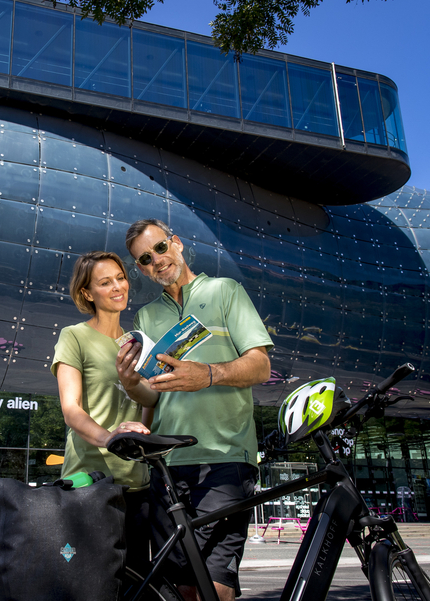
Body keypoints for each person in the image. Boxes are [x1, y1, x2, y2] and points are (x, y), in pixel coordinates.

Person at [116, 218, 273, 601]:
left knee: (213, 588)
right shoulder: (146, 318)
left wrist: (209, 373)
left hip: (224, 459)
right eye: (145, 259)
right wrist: (130, 383)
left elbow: (261, 366)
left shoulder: (225, 291)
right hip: (168, 463)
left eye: (160, 248)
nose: (157, 261)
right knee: (180, 590)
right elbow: (154, 395)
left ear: (177, 243)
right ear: (140, 268)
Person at [51, 250, 154, 571]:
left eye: (121, 279)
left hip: (137, 484)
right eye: (105, 282)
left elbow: (149, 405)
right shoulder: (74, 336)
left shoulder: (138, 342)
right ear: (87, 292)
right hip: (89, 482)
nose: (117, 287)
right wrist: (111, 438)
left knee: (135, 582)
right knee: (87, 581)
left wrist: (140, 430)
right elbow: (71, 410)